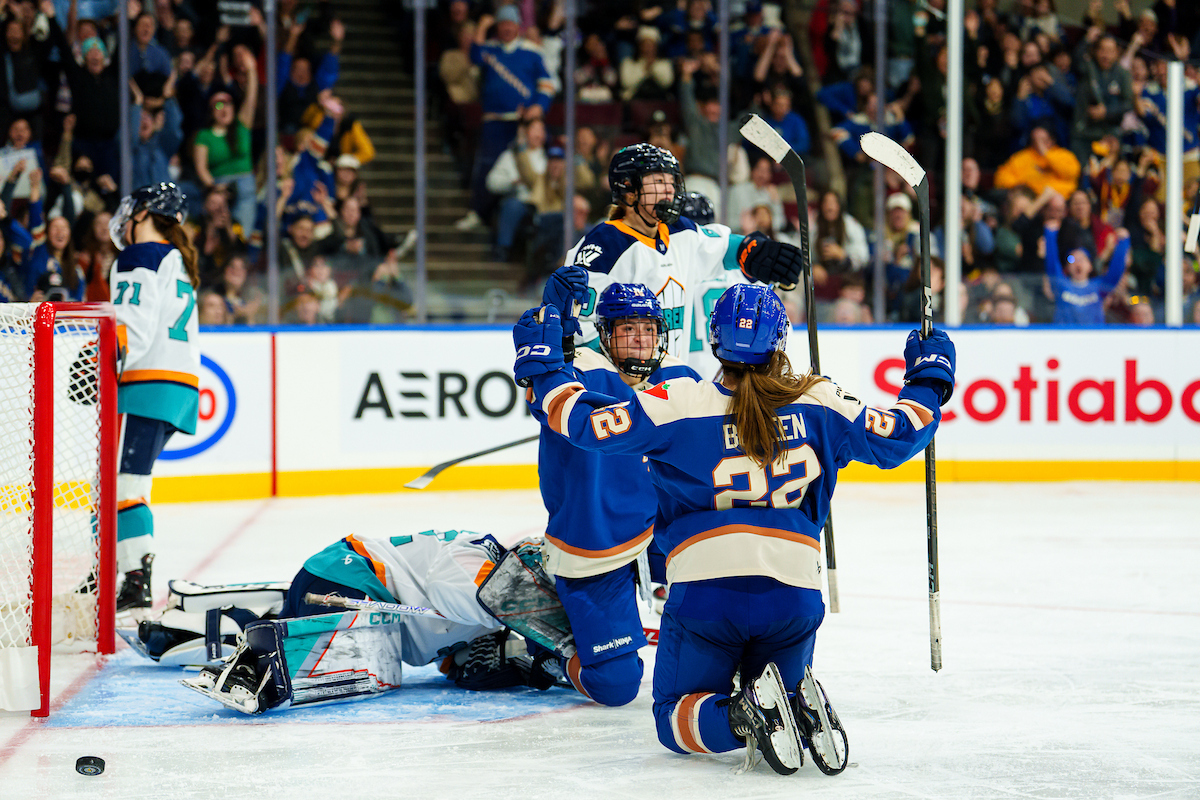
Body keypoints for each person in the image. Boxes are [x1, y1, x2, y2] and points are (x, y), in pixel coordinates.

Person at [513, 284, 955, 775]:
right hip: (795, 596)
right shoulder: (820, 399)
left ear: (713, 340)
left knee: (672, 718)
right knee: (772, 671)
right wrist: (929, 378)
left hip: (706, 595)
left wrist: (545, 367)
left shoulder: (679, 401)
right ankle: (789, 701)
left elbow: (583, 424)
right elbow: (903, 430)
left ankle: (746, 716)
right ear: (780, 341)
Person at [150, 530, 561, 714]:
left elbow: (459, 662)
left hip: (342, 584)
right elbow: (453, 592)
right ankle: (242, 645)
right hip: (347, 577)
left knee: (366, 652)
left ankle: (191, 625)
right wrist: (543, 645)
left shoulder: (500, 607)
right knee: (335, 664)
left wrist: (519, 664)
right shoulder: (482, 562)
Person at [532, 277, 700, 707]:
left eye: (648, 330)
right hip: (597, 541)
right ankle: (539, 638)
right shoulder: (583, 369)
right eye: (628, 330)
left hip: (662, 532)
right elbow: (544, 394)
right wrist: (552, 353)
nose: (641, 341)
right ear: (605, 334)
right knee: (616, 685)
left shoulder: (680, 374)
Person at [564, 143, 804, 379]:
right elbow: (580, 332)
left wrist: (758, 252)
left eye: (671, 181)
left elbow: (723, 248)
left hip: (673, 391)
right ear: (628, 188)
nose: (669, 189)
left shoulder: (681, 232)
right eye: (658, 181)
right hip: (623, 395)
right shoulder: (602, 249)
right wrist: (621, 379)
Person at [107, 182, 201, 613]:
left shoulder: (141, 254)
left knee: (125, 484)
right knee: (112, 483)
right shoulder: (177, 258)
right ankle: (110, 569)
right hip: (176, 386)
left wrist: (96, 364)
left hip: (144, 384)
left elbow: (133, 327)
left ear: (144, 213)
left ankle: (133, 580)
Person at [1043, 217, 1131, 325]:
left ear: (1090, 266)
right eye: (1072, 259)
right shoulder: (1061, 284)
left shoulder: (1099, 286)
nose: (1078, 263)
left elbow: (1115, 272)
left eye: (1083, 259)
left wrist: (1123, 242)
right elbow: (1052, 264)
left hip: (1093, 338)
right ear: (1067, 267)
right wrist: (1050, 235)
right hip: (1065, 338)